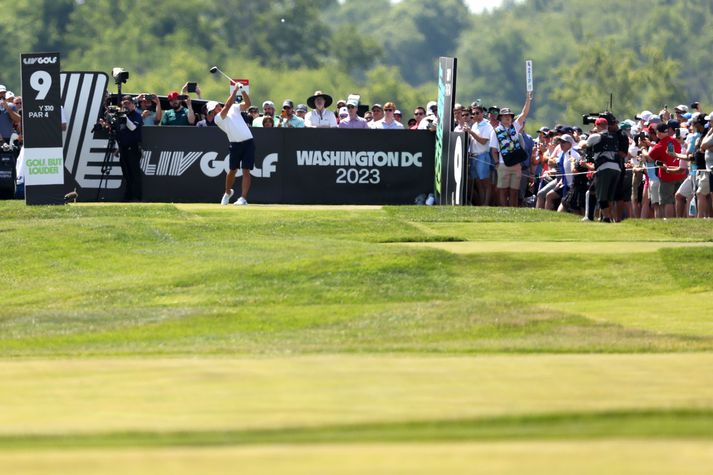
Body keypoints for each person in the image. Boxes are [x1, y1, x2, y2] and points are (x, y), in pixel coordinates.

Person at [213, 83, 255, 206]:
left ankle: (243, 198)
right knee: (232, 170)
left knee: (246, 170)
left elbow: (247, 104)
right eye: (213, 109)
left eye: (216, 106)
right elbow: (227, 105)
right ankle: (227, 192)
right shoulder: (218, 119)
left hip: (248, 142)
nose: (217, 108)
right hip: (235, 145)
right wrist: (235, 90)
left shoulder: (234, 108)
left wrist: (242, 91)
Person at [489, 92, 533, 207]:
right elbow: (494, 150)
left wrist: (528, 100)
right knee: (503, 190)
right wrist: (497, 163)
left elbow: (524, 114)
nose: (508, 117)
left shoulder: (515, 127)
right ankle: (504, 209)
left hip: (516, 164)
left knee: (514, 190)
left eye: (509, 115)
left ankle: (513, 209)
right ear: (501, 118)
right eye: (505, 115)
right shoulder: (496, 131)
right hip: (503, 164)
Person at [586, 117, 621, 222]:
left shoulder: (595, 137)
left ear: (598, 126)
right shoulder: (615, 137)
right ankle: (608, 216)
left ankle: (606, 218)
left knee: (601, 196)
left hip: (604, 168)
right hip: (617, 168)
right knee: (610, 196)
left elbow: (584, 145)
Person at [463, 105, 494, 205]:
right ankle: (482, 203)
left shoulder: (487, 125)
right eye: (473, 113)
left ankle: (486, 203)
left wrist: (470, 132)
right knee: (478, 182)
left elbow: (483, 141)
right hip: (474, 156)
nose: (475, 115)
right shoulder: (475, 125)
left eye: (477, 113)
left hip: (482, 155)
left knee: (485, 182)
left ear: (482, 113)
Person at [114, 95, 144, 201]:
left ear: (132, 104)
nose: (126, 105)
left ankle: (137, 197)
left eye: (128, 103)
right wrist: (118, 147)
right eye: (124, 103)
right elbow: (119, 133)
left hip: (133, 148)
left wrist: (125, 117)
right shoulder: (120, 117)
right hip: (123, 149)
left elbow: (132, 128)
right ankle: (128, 197)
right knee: (127, 175)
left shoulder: (136, 115)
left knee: (135, 174)